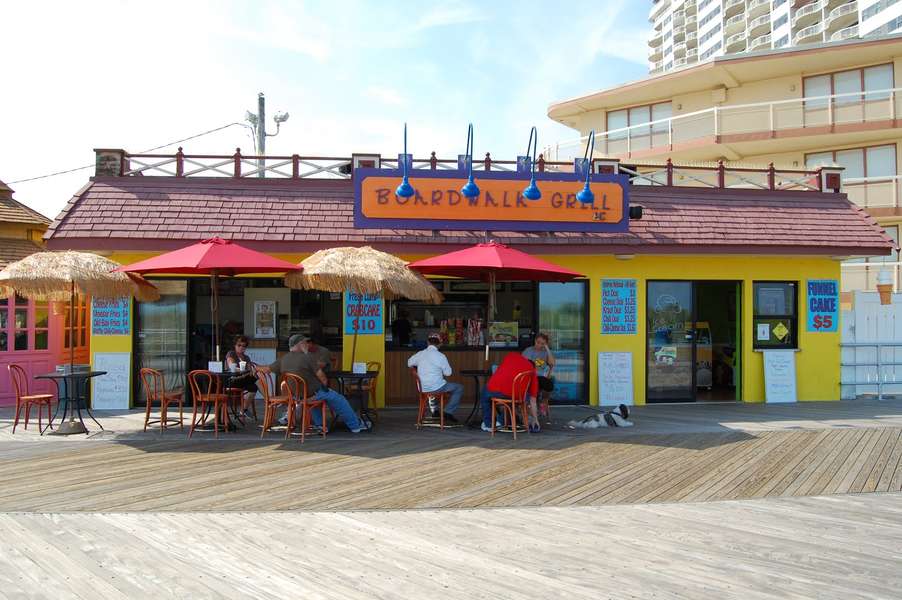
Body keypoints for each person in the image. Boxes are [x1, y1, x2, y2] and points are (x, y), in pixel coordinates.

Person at [268, 334, 369, 433]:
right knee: (338, 399)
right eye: (305, 342)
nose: (307, 344)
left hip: (299, 396)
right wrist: (324, 388)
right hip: (312, 393)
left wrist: (255, 369)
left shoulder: (283, 359)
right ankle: (355, 425)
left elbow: (266, 369)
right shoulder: (307, 357)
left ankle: (320, 425)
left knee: (318, 397)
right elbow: (323, 378)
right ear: (300, 344)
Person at [407, 332, 464, 423]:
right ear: (440, 344)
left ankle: (435, 410)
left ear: (427, 342)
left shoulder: (420, 354)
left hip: (423, 388)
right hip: (437, 388)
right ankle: (447, 412)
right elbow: (448, 373)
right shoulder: (440, 356)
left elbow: (409, 363)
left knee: (435, 385)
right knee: (459, 387)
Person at [480, 352, 541, 433]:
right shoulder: (533, 372)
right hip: (516, 396)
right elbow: (533, 401)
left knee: (485, 395)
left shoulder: (512, 355)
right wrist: (535, 419)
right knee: (513, 400)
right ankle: (501, 421)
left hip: (496, 389)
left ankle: (488, 424)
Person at [522, 332, 555, 421]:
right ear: (535, 341)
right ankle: (538, 403)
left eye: (542, 343)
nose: (539, 345)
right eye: (538, 342)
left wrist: (547, 348)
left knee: (549, 383)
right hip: (529, 376)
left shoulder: (545, 353)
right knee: (538, 382)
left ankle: (542, 402)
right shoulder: (528, 351)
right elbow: (522, 365)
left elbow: (552, 364)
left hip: (540, 377)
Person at [225, 335, 258, 419]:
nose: (241, 347)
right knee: (255, 379)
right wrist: (243, 370)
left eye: (244, 346)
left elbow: (250, 369)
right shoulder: (231, 353)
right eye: (239, 345)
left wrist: (252, 370)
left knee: (254, 387)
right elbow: (231, 366)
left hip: (243, 380)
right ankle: (269, 399)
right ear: (235, 345)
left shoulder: (246, 357)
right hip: (232, 380)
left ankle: (244, 409)